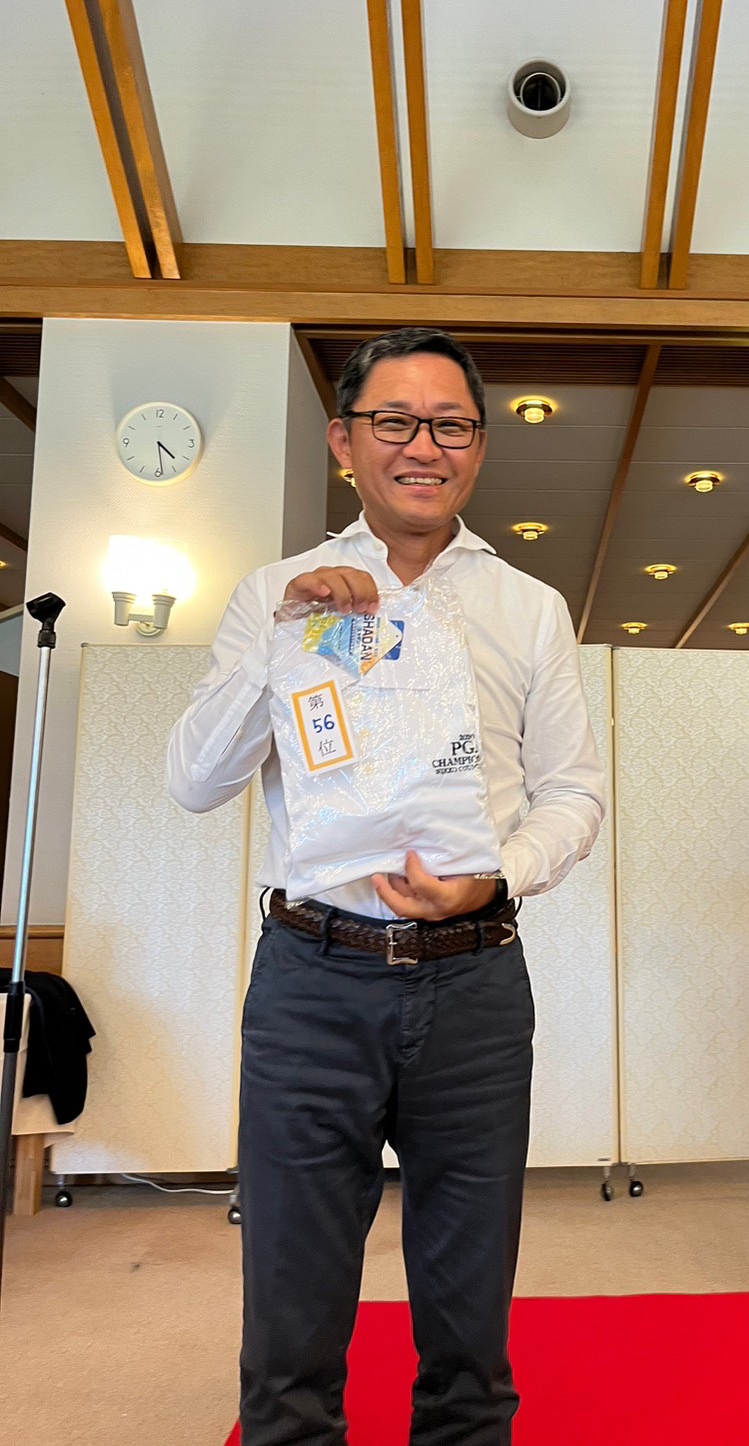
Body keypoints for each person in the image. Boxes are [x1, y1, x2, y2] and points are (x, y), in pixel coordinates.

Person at [167, 327, 605, 1445]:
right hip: (313, 978)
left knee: (468, 1301)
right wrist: (288, 638)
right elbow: (195, 783)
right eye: (394, 421)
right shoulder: (274, 593)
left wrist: (494, 882)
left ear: (478, 446)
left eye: (450, 425)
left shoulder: (528, 607)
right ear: (343, 441)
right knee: (291, 1296)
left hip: (474, 983)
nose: (423, 446)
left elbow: (572, 795)